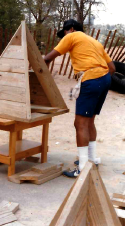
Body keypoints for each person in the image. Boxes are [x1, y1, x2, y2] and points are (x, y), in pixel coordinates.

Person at [44, 19, 115, 178]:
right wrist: (100, 80)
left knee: (80, 123)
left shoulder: (71, 36)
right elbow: (112, 68)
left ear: (71, 29)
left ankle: (83, 168)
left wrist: (39, 74)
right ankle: (92, 159)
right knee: (89, 121)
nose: (64, 37)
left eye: (64, 33)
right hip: (104, 79)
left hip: (91, 79)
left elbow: (47, 59)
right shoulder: (95, 42)